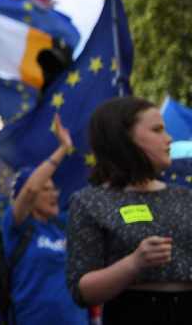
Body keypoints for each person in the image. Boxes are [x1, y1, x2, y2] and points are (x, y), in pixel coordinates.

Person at [67, 96, 192, 323]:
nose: (169, 138)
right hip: (134, 313)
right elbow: (81, 289)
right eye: (157, 130)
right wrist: (133, 264)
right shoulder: (90, 201)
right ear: (124, 139)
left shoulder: (186, 195)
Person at [0, 116, 83, 325]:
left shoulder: (62, 226)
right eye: (45, 189)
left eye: (54, 188)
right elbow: (30, 188)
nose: (54, 194)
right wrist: (63, 148)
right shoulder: (16, 226)